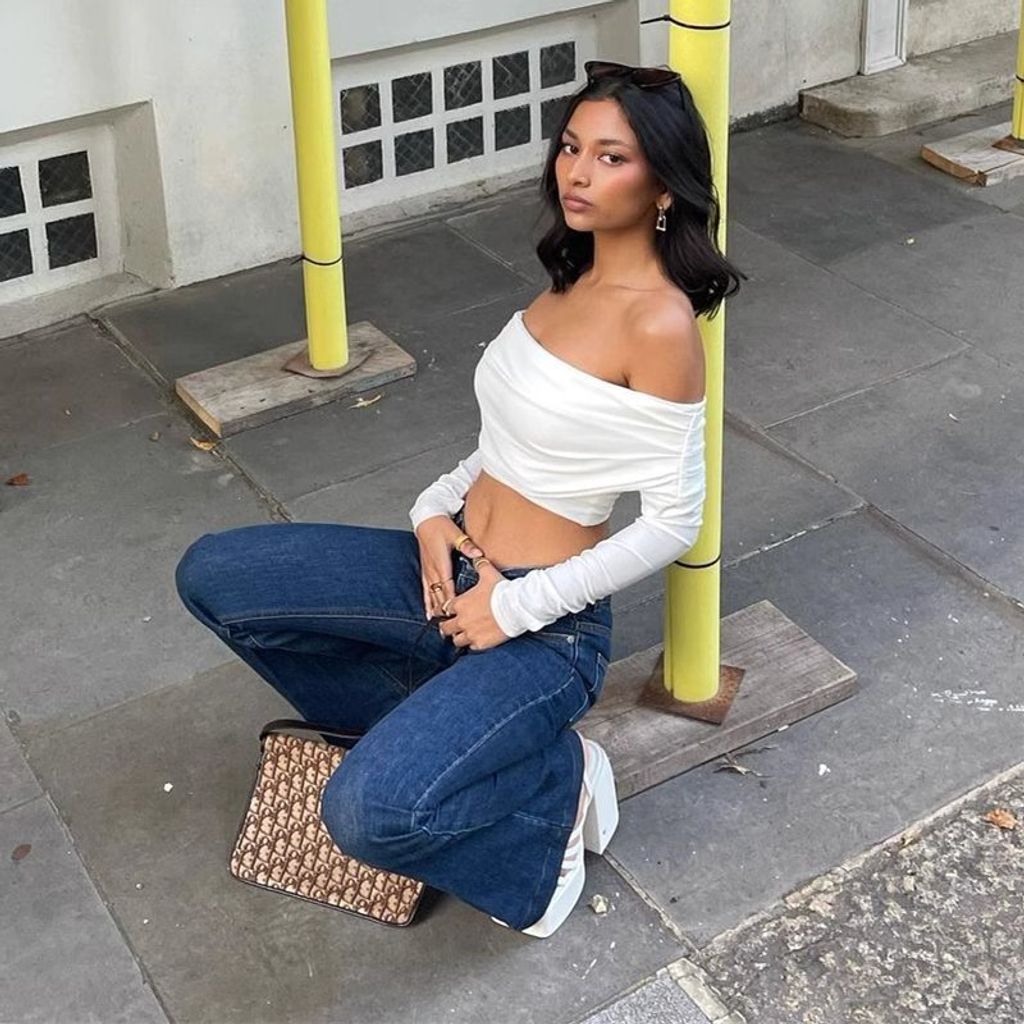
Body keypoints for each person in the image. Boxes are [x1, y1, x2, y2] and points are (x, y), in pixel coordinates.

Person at [174, 59, 745, 939]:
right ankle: (452, 729)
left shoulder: (659, 323)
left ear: (663, 184)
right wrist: (431, 513)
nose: (577, 172)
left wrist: (513, 610)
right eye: (570, 148)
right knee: (215, 575)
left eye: (611, 158)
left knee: (365, 815)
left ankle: (550, 800)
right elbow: (504, 446)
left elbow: (674, 523)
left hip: (545, 625)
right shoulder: (571, 276)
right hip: (450, 572)